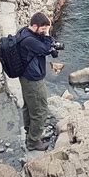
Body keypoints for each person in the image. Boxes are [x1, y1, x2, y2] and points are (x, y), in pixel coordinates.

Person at [17, 11, 60, 151]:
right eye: (43, 29)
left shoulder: (24, 32)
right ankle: (33, 142)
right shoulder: (29, 40)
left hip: (26, 77)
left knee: (29, 107)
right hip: (33, 80)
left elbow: (44, 47)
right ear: (35, 26)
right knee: (40, 110)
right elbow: (45, 48)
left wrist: (45, 36)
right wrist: (47, 36)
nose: (44, 32)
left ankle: (30, 132)